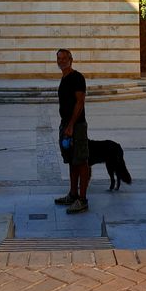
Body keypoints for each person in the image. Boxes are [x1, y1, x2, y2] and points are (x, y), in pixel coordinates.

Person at [54, 48, 90, 213]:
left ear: (71, 59)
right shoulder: (64, 78)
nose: (61, 61)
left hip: (76, 126)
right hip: (66, 125)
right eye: (59, 59)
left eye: (64, 58)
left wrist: (70, 126)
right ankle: (73, 194)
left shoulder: (77, 77)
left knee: (81, 161)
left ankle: (82, 199)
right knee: (71, 159)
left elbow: (79, 103)